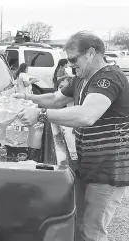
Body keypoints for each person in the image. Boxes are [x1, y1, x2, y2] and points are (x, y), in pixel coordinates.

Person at [11, 31, 129, 241]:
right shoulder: (81, 78)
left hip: (109, 169)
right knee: (82, 225)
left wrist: (40, 114)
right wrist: (27, 97)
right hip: (90, 165)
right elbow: (56, 99)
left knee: (92, 232)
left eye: (74, 60)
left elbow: (87, 115)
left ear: (91, 53)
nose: (71, 65)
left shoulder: (108, 78)